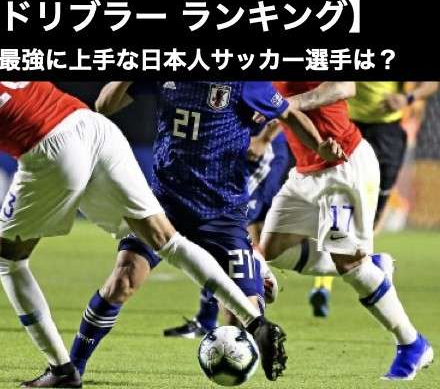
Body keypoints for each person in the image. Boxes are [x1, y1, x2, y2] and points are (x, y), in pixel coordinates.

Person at [0, 81, 308, 388]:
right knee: (160, 243)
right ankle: (255, 321)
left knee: (6, 257)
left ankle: (62, 370)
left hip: (53, 147)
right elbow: (102, 103)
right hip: (93, 127)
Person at [68, 81, 346, 381]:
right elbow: (104, 106)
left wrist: (319, 146)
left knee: (242, 316)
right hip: (164, 205)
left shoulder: (244, 83)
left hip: (222, 212)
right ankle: (71, 369)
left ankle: (253, 274)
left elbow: (288, 113)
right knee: (122, 280)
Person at [259, 81, 433, 380]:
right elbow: (277, 104)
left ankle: (411, 344)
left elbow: (344, 87)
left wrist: (291, 104)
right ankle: (372, 267)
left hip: (342, 165)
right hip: (305, 171)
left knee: (348, 262)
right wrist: (265, 135)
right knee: (273, 251)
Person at [309, 81, 439, 317]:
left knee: (374, 211)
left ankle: (367, 262)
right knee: (339, 204)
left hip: (386, 131)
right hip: (348, 127)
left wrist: (407, 98)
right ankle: (324, 285)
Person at [163, 120, 291, 337]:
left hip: (259, 152)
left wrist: (265, 138)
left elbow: (285, 105)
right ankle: (216, 314)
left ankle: (255, 283)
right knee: (217, 231)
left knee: (230, 227)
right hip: (232, 148)